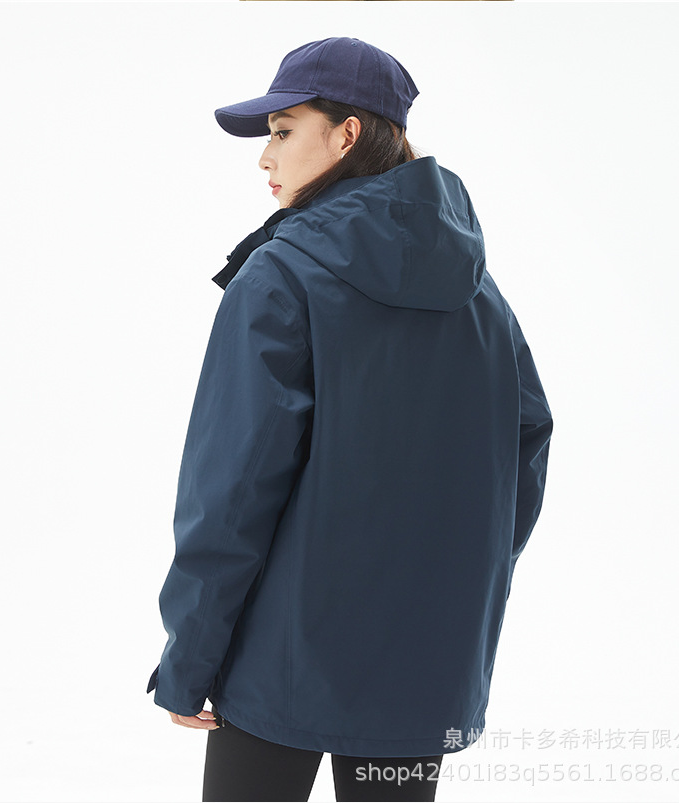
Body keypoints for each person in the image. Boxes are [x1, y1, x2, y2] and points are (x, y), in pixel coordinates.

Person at [146, 37, 554, 802]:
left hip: (280, 659)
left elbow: (232, 491)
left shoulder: (280, 275)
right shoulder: (478, 292)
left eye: (282, 131)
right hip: (425, 658)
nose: (264, 159)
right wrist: (455, 578)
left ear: (347, 134)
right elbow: (526, 439)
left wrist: (190, 656)